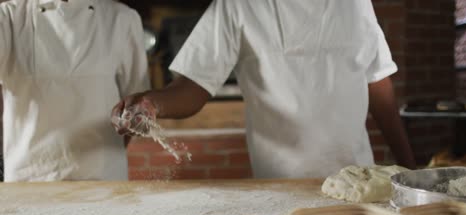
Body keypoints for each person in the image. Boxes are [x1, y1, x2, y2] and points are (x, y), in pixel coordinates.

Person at [112, 0, 416, 179]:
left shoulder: (354, 3)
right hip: (280, 186)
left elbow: (377, 81)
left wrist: (409, 170)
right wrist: (153, 103)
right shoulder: (237, 6)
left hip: (359, 178)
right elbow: (193, 85)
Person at [0, 0, 150, 181]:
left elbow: (138, 107)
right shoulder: (8, 17)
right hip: (28, 178)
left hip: (103, 179)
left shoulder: (123, 19)